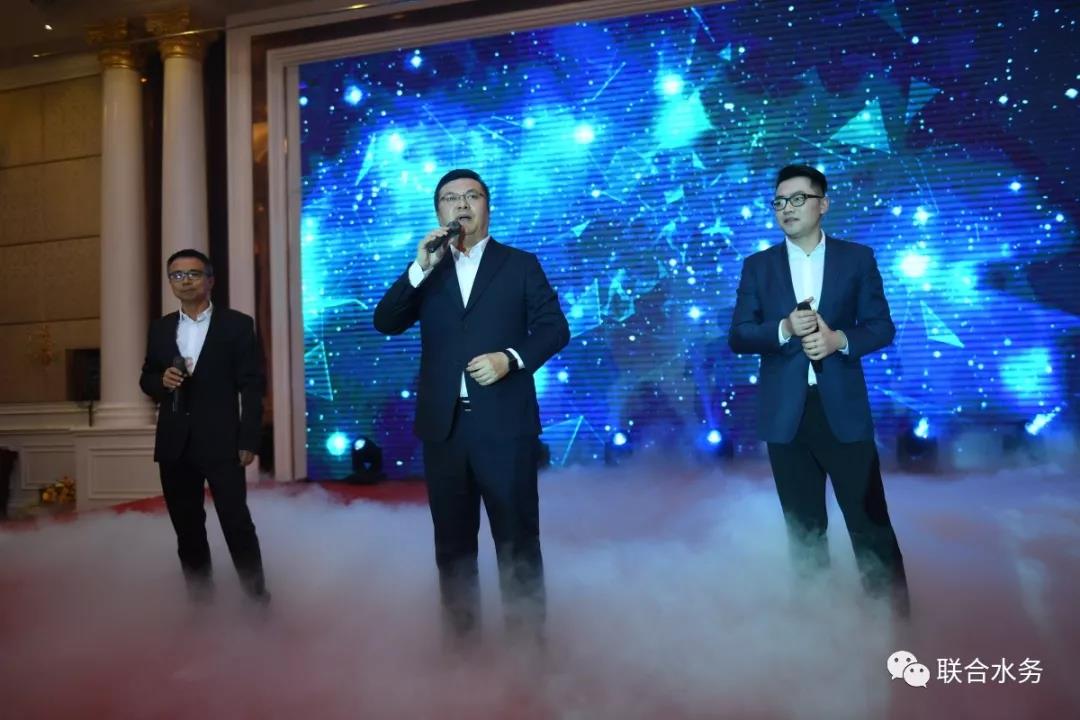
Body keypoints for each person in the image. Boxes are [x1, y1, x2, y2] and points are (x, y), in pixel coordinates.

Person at [374, 169, 569, 647]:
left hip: (505, 427)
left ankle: (527, 651)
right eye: (450, 198)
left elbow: (554, 329)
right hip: (445, 430)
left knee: (517, 542)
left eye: (471, 196)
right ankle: (462, 652)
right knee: (453, 547)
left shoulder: (519, 264)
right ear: (438, 211)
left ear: (488, 206)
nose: (461, 204)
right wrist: (418, 268)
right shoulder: (430, 270)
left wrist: (510, 359)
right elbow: (385, 321)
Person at [728, 165, 909, 615]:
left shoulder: (857, 258)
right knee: (805, 533)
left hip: (842, 412)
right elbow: (739, 335)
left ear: (822, 204)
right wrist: (784, 328)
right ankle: (819, 630)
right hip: (786, 418)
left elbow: (881, 326)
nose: (786, 209)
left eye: (797, 199)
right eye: (779, 202)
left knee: (870, 525)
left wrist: (838, 341)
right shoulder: (758, 266)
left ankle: (894, 627)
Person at [139, 249, 269, 604]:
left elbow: (252, 386)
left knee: (236, 524)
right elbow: (147, 377)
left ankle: (257, 600)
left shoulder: (237, 324)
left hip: (223, 442)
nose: (185, 281)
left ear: (210, 280)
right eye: (177, 275)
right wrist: (160, 381)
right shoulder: (160, 328)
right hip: (174, 444)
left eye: (193, 274)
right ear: (170, 282)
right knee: (187, 529)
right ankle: (201, 603)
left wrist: (249, 438)